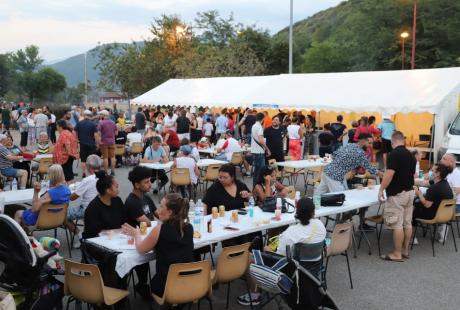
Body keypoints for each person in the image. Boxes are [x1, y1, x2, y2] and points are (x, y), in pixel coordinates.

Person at [238, 197, 326, 306]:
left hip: (292, 274)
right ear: (313, 212)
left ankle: (254, 295)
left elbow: (278, 257)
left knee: (250, 258)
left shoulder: (291, 233)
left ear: (297, 211)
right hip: (313, 272)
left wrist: (267, 250)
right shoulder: (320, 226)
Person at [122, 193, 193, 298]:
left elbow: (141, 249)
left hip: (167, 285)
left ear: (170, 212)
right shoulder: (189, 227)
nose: (158, 210)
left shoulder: (160, 229)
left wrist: (136, 234)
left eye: (161, 206)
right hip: (191, 282)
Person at [378, 131, 416, 262]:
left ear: (393, 141)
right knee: (407, 223)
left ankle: (397, 253)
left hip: (397, 194)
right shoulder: (411, 155)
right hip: (410, 192)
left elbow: (389, 174)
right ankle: (405, 250)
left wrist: (381, 189)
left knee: (397, 225)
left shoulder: (394, 154)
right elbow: (412, 175)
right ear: (403, 140)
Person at [124, 166, 158, 298]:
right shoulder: (132, 201)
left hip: (148, 235)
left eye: (150, 181)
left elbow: (159, 214)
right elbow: (147, 222)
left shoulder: (146, 197)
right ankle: (143, 285)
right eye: (146, 182)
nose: (150, 184)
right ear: (137, 185)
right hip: (135, 241)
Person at [67, 155, 102, 248]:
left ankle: (80, 235)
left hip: (87, 209)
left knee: (63, 216)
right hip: (101, 208)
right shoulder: (105, 176)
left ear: (88, 167)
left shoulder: (87, 180)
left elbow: (73, 197)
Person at [413, 163, 453, 242]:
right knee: (416, 203)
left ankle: (412, 238)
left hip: (432, 215)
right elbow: (423, 183)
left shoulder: (434, 188)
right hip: (445, 215)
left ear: (438, 174)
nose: (431, 172)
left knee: (411, 210)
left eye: (432, 171)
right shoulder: (444, 183)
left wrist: (418, 193)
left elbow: (427, 205)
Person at [82, 170, 127, 239]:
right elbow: (94, 233)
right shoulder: (93, 208)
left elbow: (124, 220)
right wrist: (118, 231)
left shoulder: (117, 200)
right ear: (108, 190)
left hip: (116, 238)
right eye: (116, 187)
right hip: (97, 242)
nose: (118, 189)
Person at [74, 110, 98, 177]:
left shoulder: (79, 123)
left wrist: (76, 139)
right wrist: (97, 143)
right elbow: (95, 135)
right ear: (90, 116)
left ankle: (84, 173)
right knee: (91, 159)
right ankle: (92, 173)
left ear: (84, 116)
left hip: (82, 144)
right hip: (91, 144)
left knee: (83, 160)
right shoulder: (93, 124)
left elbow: (74, 131)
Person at [251, 112, 270, 187]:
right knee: (260, 172)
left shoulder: (254, 126)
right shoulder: (259, 127)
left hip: (255, 151)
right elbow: (261, 140)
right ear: (263, 118)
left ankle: (255, 188)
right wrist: (267, 149)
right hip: (259, 151)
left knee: (257, 171)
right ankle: (257, 188)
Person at [97, 110, 117, 176]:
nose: (100, 116)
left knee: (105, 157)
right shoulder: (113, 123)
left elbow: (99, 133)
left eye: (101, 115)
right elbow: (116, 133)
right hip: (112, 142)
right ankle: (113, 171)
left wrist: (99, 142)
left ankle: (105, 172)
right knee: (112, 157)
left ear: (103, 115)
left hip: (104, 142)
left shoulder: (101, 123)